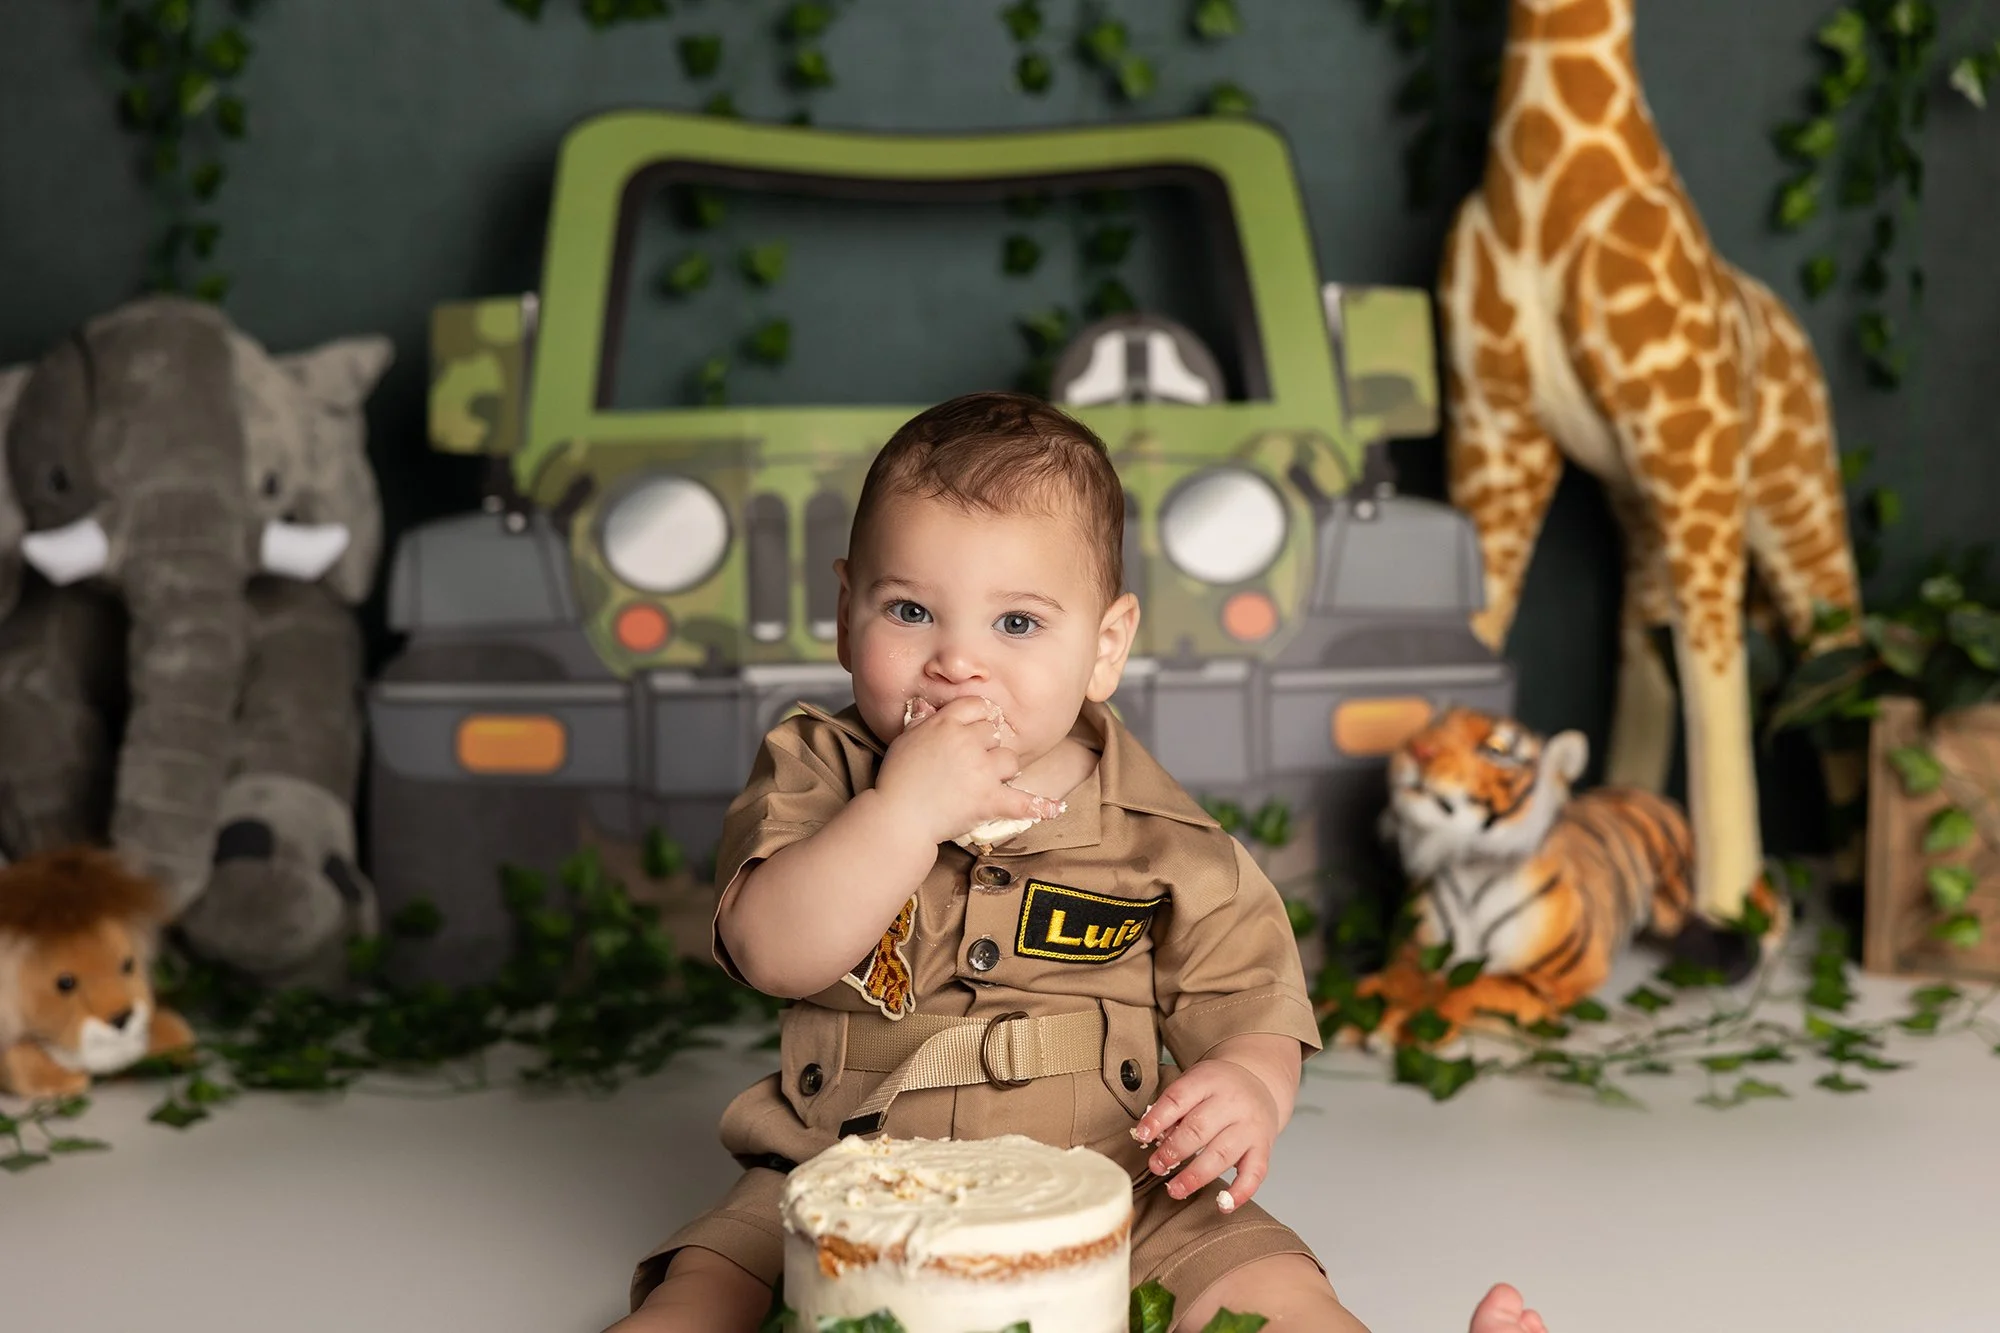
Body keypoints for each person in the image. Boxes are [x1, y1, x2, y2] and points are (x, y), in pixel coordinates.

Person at [606, 392, 1552, 1333]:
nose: (957, 663)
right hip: (842, 1171)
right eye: (910, 610)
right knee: (710, 1286)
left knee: (1267, 1290)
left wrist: (1251, 1084)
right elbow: (772, 948)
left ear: (1105, 647)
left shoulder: (1160, 834)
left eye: (1016, 623)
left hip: (1115, 1179)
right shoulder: (819, 770)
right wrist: (903, 812)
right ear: (847, 614)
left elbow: (1248, 992)